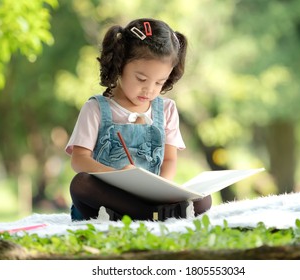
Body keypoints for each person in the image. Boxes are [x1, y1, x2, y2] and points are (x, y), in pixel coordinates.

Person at [65, 18, 212, 222]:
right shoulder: (96, 108)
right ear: (120, 64)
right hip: (107, 199)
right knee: (81, 184)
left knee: (204, 199)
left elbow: (169, 159)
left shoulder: (167, 110)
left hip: (149, 197)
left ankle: (147, 212)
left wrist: (159, 188)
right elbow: (79, 159)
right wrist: (118, 178)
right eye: (141, 79)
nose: (149, 89)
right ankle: (153, 215)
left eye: (160, 82)